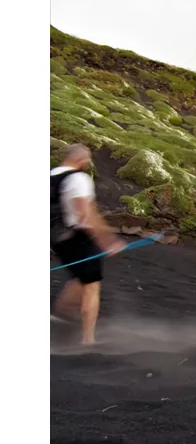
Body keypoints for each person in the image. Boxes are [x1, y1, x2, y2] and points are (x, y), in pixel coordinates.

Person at [50, 144, 125, 345]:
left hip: (56, 238)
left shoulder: (50, 176)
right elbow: (86, 213)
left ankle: (60, 315)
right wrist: (107, 240)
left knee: (79, 275)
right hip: (77, 237)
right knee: (91, 286)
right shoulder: (79, 179)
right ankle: (88, 339)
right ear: (81, 160)